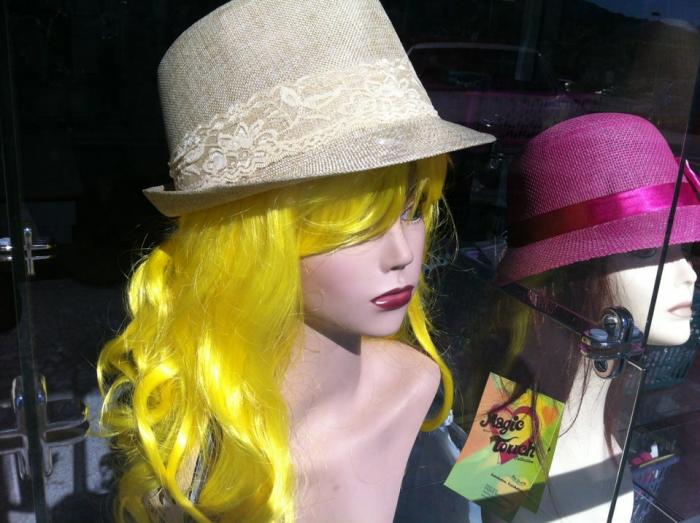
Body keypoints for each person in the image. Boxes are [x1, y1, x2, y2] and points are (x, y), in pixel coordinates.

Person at [96, 1, 494, 522]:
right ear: (252, 247)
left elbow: (504, 498)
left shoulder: (426, 386)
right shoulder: (196, 472)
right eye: (353, 226)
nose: (402, 255)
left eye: (414, 209)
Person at [473, 112, 699, 521]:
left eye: (684, 248)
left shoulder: (605, 407)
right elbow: (492, 505)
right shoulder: (513, 417)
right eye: (647, 251)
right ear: (572, 274)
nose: (689, 274)